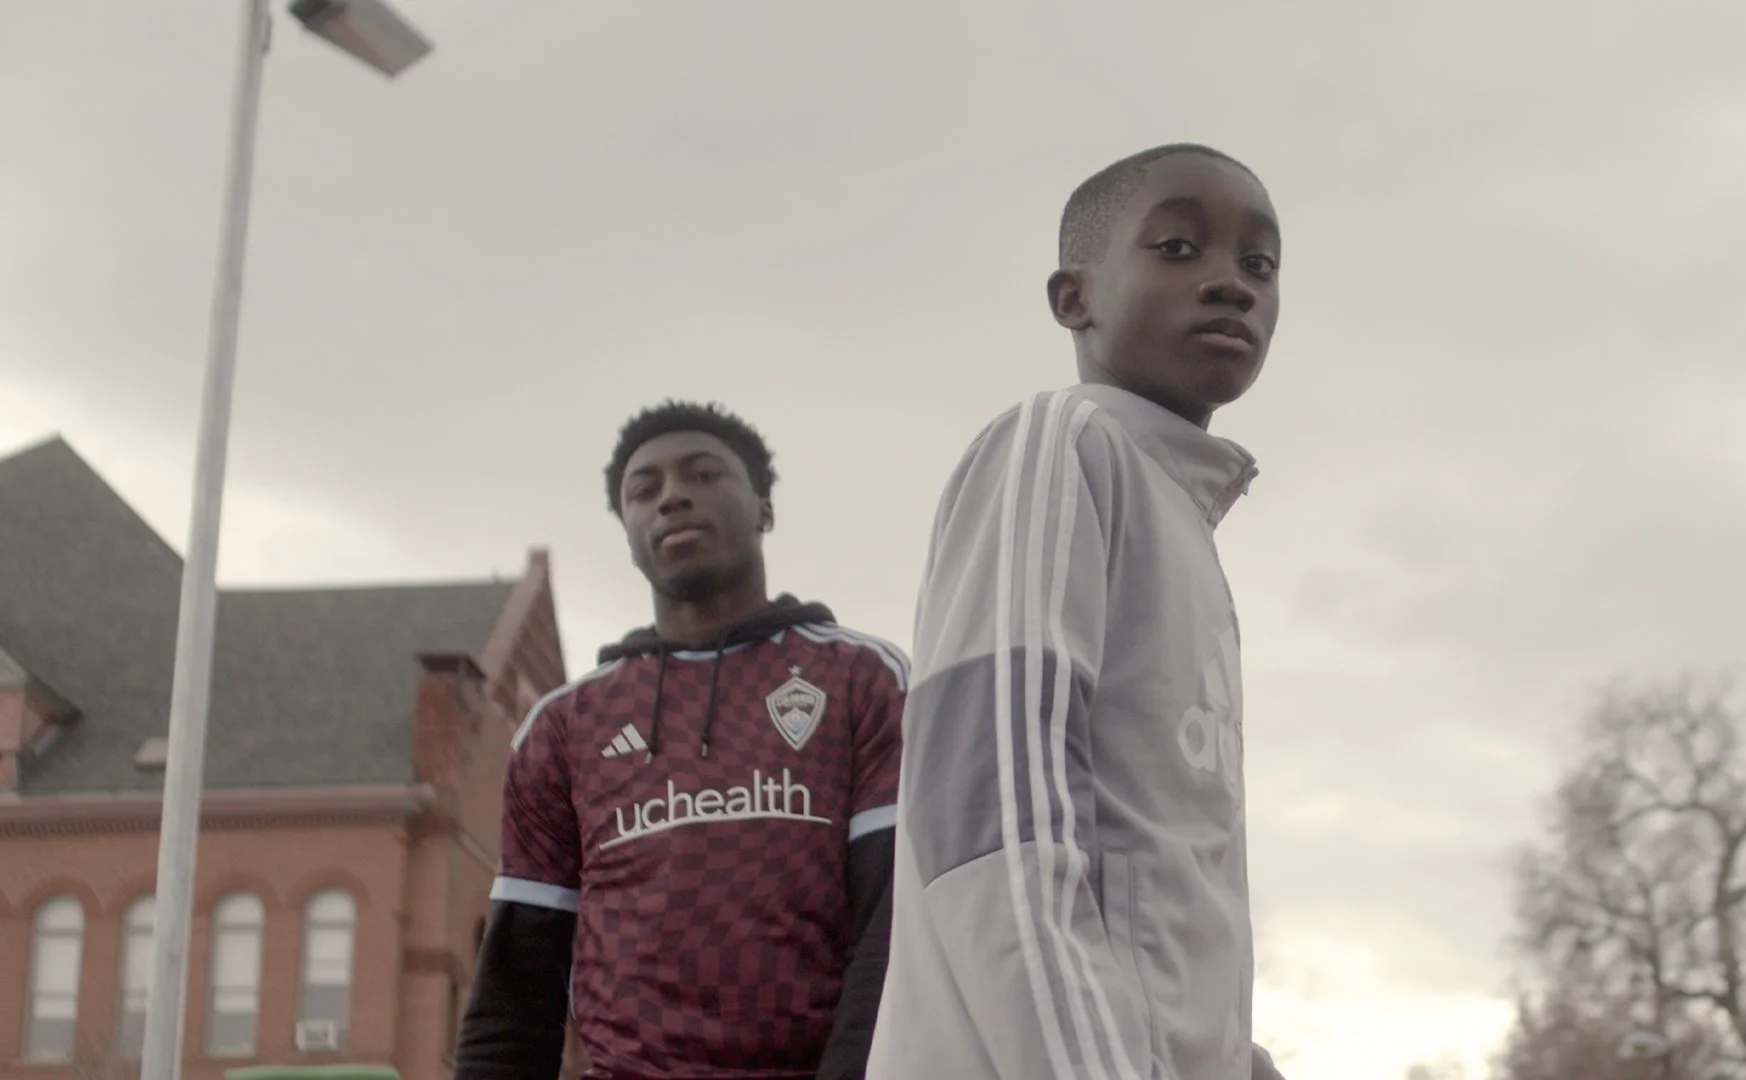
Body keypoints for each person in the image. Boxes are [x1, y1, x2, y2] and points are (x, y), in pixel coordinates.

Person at [868, 144, 1287, 1080]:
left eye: (1259, 264)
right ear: (1075, 298)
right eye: (1179, 248)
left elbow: (1162, 886)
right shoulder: (1060, 446)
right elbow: (992, 819)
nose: (1230, 282)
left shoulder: (1183, 521)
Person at [455, 401, 905, 1080]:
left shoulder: (862, 680)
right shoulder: (564, 726)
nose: (672, 498)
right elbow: (516, 992)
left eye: (702, 474)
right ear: (629, 533)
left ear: (763, 508)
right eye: (644, 490)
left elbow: (895, 929)